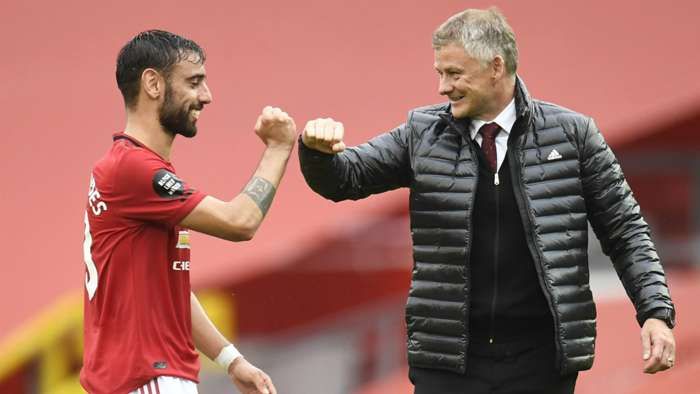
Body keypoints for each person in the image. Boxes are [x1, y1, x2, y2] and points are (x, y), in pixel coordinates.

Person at [299, 8, 676, 394]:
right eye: (440, 73)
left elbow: (626, 230)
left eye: (454, 73)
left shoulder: (574, 135)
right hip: (447, 360)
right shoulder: (420, 134)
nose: (442, 87)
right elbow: (346, 178)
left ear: (496, 67)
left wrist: (655, 313)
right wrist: (316, 152)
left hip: (541, 361)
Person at [81, 30, 295, 394]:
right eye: (194, 82)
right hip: (148, 376)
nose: (206, 96)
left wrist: (231, 360)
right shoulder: (134, 171)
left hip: (142, 378)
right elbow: (240, 222)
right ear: (153, 83)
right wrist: (278, 148)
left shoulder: (130, 170)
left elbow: (171, 290)